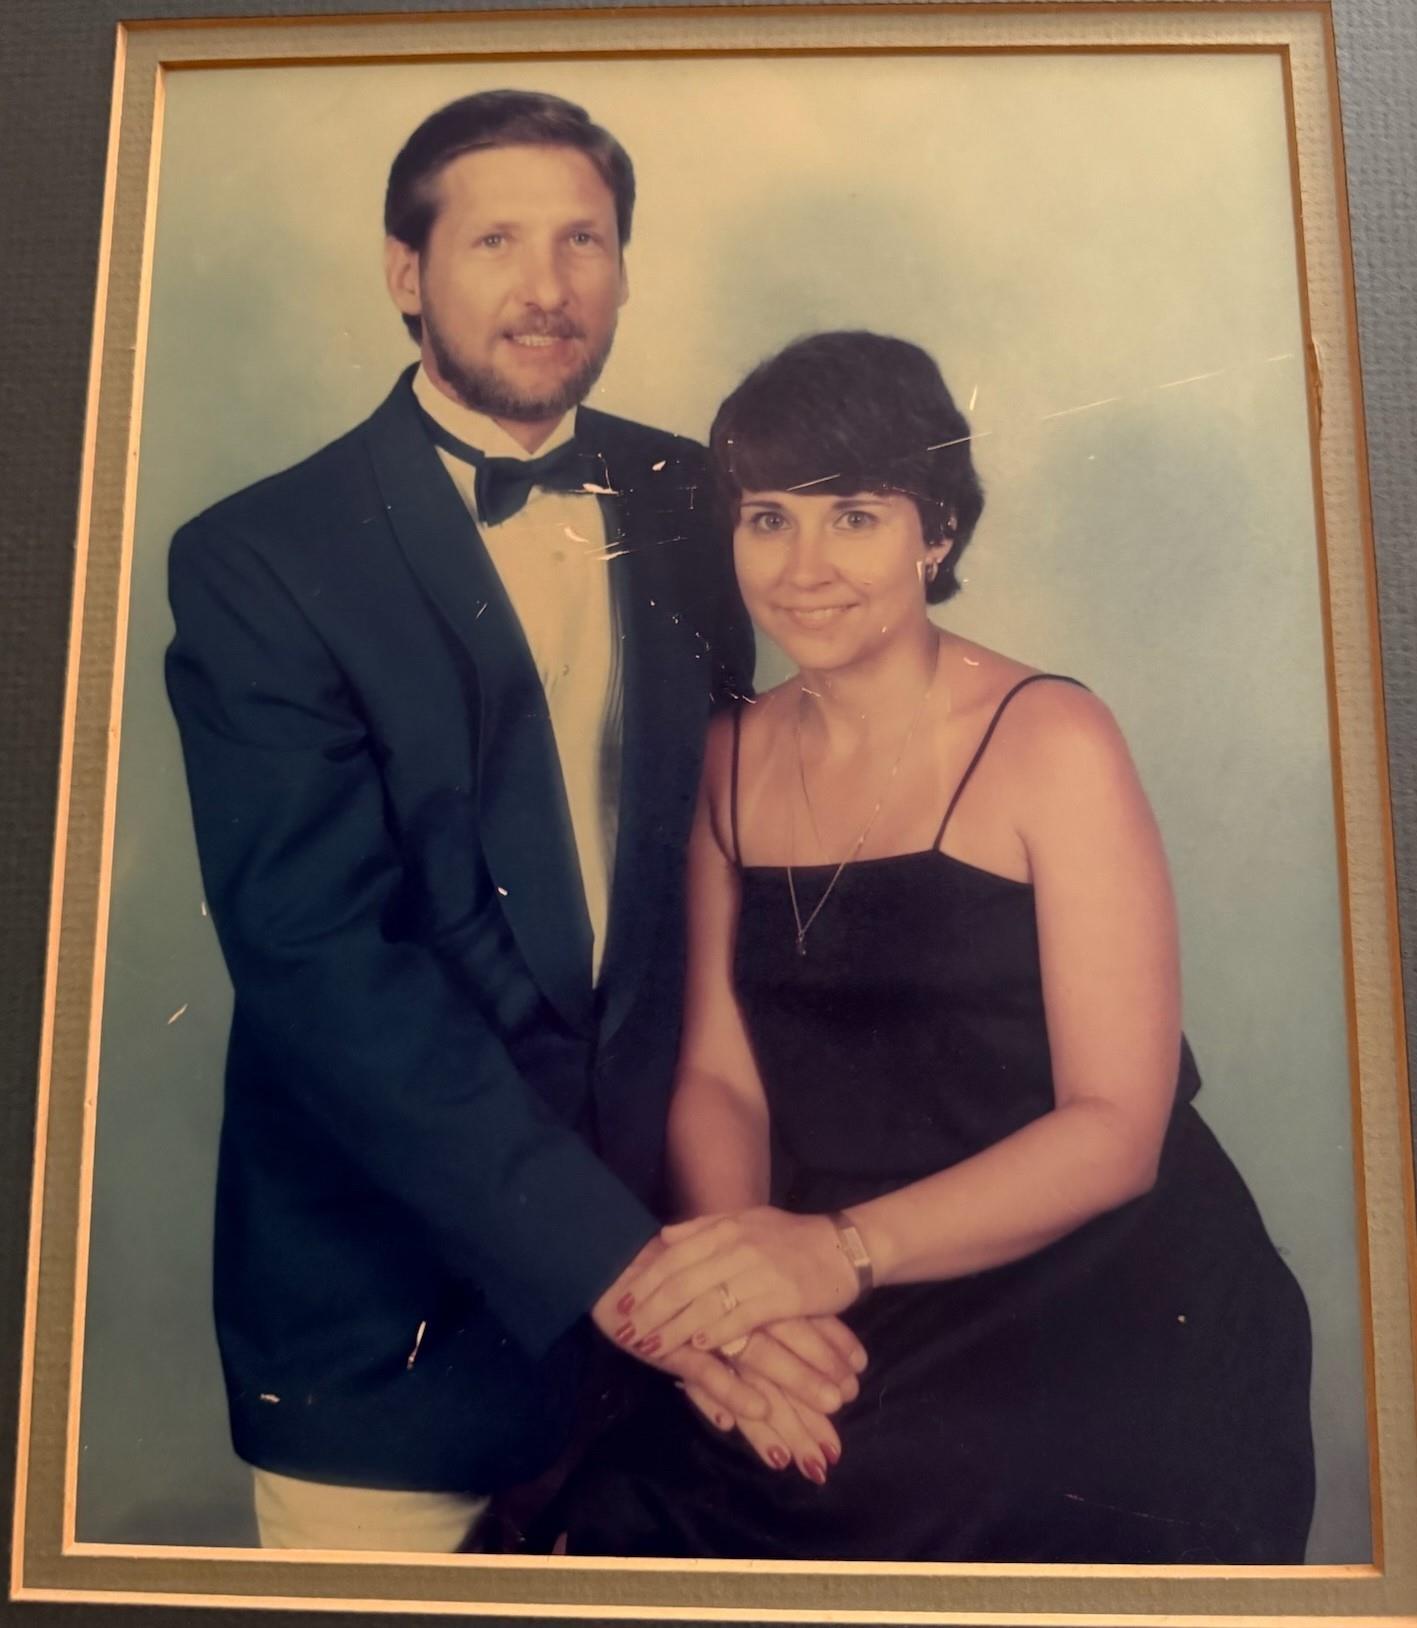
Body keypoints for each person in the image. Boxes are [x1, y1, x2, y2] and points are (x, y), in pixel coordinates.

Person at [164, 91, 864, 1554]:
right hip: (392, 1328)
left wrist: (743, 1269)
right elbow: (324, 970)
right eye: (495, 240)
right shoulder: (257, 558)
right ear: (405, 272)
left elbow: (738, 864)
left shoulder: (702, 500)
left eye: (584, 241)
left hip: (680, 1301)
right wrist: (636, 1283)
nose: (547, 289)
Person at [552, 330, 1317, 1562]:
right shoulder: (722, 756)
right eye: (766, 520)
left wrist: (831, 1256)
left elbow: (1116, 1127)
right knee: (628, 1493)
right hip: (834, 1266)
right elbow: (717, 1075)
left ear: (937, 533)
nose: (803, 568)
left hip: (1090, 1276)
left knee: (929, 1489)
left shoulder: (1051, 738)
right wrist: (749, 1307)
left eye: (853, 515)